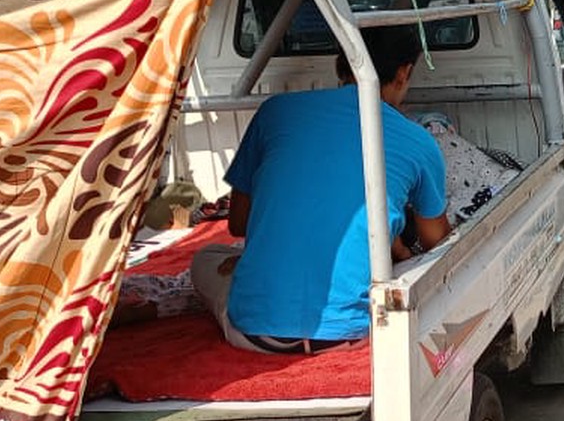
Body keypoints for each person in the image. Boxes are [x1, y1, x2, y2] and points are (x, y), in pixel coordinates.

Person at [190, 24, 452, 353]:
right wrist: (397, 247)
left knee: (207, 256)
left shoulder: (276, 111)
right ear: (404, 72)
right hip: (351, 332)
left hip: (253, 332)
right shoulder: (420, 141)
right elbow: (438, 244)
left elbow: (239, 224)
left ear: (340, 63)